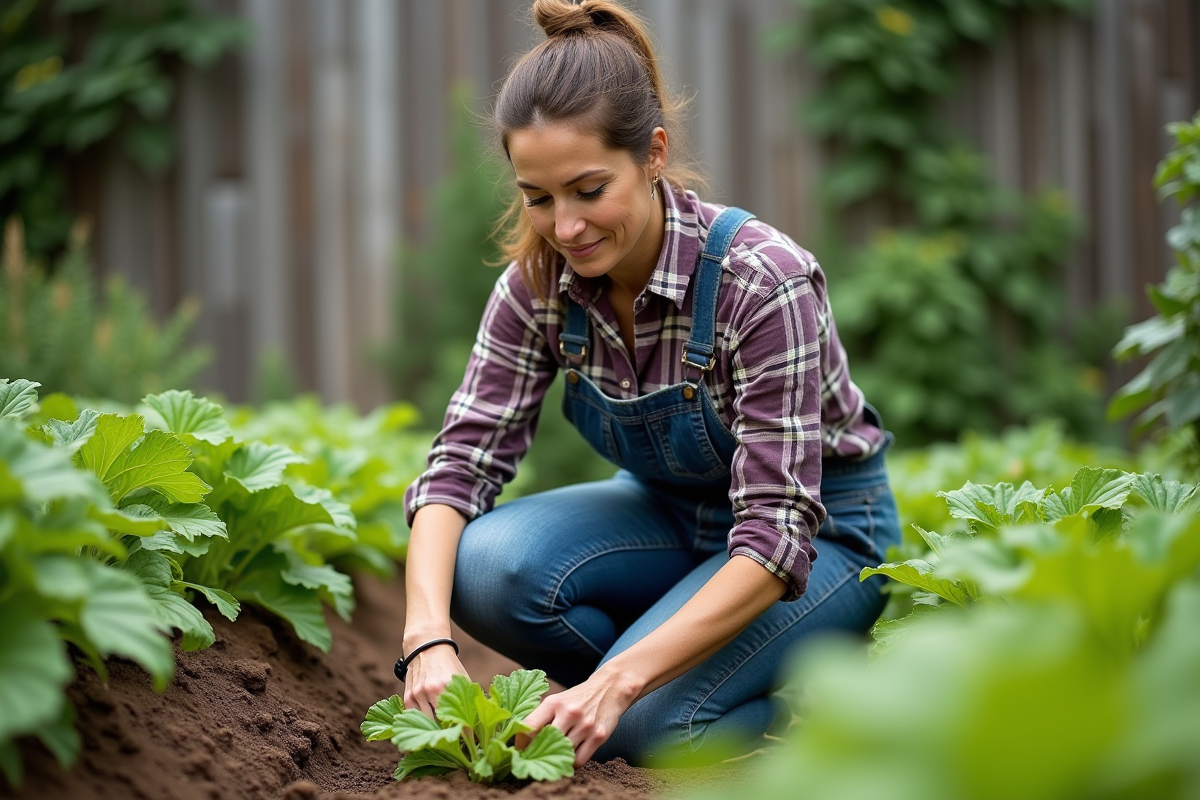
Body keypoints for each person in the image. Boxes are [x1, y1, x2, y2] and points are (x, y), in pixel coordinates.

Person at [397, 0, 900, 768]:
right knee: (488, 568)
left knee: (641, 729)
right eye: (539, 198)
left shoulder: (763, 284)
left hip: (820, 537)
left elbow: (771, 538)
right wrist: (426, 638)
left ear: (653, 154)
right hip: (666, 513)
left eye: (589, 190)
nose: (564, 227)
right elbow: (459, 466)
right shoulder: (539, 286)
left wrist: (620, 680)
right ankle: (668, 672)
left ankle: (801, 698)